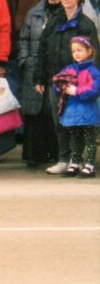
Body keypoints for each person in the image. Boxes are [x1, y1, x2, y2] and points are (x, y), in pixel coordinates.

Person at [33, 0, 99, 174]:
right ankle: (64, 158)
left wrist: (85, 82)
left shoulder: (85, 24)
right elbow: (42, 49)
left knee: (82, 123)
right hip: (57, 81)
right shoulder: (54, 21)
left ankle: (79, 160)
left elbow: (94, 54)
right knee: (60, 120)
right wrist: (39, 77)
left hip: (80, 83)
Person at [18, 0, 64, 166]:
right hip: (34, 67)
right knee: (34, 112)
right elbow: (24, 39)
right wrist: (25, 60)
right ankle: (34, 155)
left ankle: (55, 155)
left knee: (52, 111)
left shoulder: (65, 12)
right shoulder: (34, 12)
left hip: (56, 68)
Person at [50, 36, 99, 178]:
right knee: (74, 138)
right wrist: (59, 86)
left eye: (80, 50)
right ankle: (75, 163)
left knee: (90, 139)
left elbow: (95, 90)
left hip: (87, 111)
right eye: (74, 51)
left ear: (89, 51)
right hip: (72, 111)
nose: (76, 53)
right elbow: (57, 82)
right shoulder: (69, 69)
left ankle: (89, 165)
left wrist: (77, 91)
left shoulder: (93, 71)